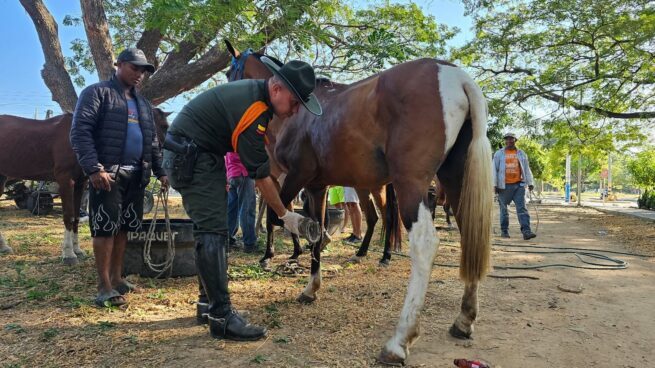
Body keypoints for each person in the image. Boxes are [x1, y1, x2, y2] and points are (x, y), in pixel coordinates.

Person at [162, 56, 322, 341]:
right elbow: (259, 174)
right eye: (295, 102)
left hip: (198, 154)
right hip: (191, 157)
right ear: (276, 90)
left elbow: (260, 160)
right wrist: (286, 216)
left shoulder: (255, 97)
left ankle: (207, 304)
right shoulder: (255, 109)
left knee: (209, 230)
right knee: (213, 231)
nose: (296, 110)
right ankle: (221, 317)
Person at [70, 48, 169, 307]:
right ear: (120, 64)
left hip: (136, 175)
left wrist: (160, 171)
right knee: (104, 228)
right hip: (108, 174)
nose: (139, 75)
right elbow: (80, 132)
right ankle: (103, 286)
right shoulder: (97, 93)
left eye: (143, 71)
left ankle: (117, 278)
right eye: (134, 68)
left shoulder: (144, 105)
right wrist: (93, 168)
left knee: (124, 228)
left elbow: (153, 143)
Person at [492, 133, 536, 240]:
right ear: (505, 141)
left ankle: (526, 231)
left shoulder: (521, 153)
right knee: (504, 210)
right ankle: (504, 231)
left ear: (515, 140)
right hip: (504, 186)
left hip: (518, 185)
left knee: (522, 209)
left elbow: (526, 169)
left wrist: (530, 183)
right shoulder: (499, 154)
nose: (509, 141)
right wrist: (494, 184)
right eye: (507, 139)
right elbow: (494, 170)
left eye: (511, 139)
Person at [225, 152, 258, 253]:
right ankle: (249, 244)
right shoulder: (242, 137)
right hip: (243, 172)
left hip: (231, 174)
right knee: (247, 209)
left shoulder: (228, 137)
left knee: (231, 209)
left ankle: (228, 240)